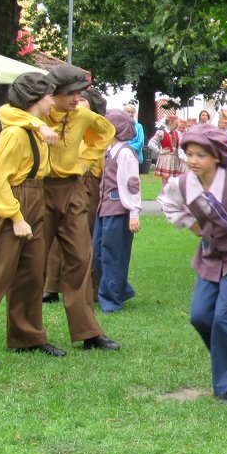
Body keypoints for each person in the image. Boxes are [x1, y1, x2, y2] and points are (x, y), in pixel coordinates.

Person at [0, 64, 120, 352]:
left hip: (74, 190)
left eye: (80, 93)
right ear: (53, 94)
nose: (78, 99)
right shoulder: (36, 113)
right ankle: (27, 337)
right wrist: (38, 125)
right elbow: (6, 112)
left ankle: (89, 332)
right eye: (72, 94)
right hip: (41, 191)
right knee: (33, 263)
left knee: (80, 257)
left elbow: (106, 132)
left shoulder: (83, 115)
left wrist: (88, 161)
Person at [0, 73, 64, 367]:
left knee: (32, 274)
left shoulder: (32, 127)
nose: (52, 100)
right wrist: (15, 216)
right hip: (15, 201)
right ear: (35, 99)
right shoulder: (16, 133)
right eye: (48, 95)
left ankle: (27, 336)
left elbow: (11, 112)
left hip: (34, 196)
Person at [158, 125, 227, 403]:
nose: (193, 160)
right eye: (189, 154)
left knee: (224, 318)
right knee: (201, 316)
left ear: (217, 156)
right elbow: (168, 204)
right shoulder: (182, 184)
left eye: (201, 155)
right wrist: (191, 223)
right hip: (210, 255)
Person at [92, 110, 142, 313]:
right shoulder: (110, 151)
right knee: (97, 252)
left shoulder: (125, 153)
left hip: (118, 210)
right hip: (103, 210)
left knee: (114, 254)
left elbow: (132, 184)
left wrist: (134, 213)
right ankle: (121, 289)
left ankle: (111, 300)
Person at [151, 113, 185, 184]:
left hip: (175, 158)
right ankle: (165, 193)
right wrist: (159, 151)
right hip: (166, 158)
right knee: (166, 181)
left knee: (175, 181)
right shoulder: (162, 132)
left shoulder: (177, 133)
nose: (177, 126)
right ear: (170, 122)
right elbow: (151, 143)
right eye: (176, 124)